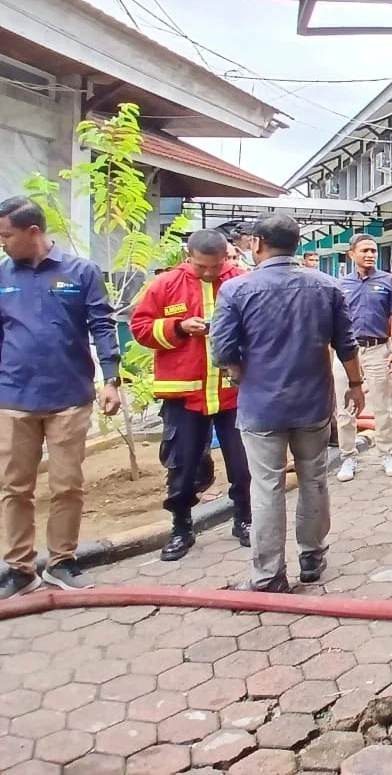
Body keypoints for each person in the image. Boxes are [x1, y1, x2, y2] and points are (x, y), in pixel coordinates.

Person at [209, 213, 362, 593]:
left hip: (261, 406)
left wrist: (238, 374)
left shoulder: (236, 290)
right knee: (314, 480)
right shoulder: (327, 287)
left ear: (258, 243)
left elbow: (222, 350)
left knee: (267, 488)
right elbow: (347, 343)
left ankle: (268, 575)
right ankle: (312, 555)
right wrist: (356, 384)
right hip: (313, 403)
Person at [0, 197, 121, 598]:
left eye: (6, 235)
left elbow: (102, 325)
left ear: (32, 232)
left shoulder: (80, 272)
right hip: (13, 398)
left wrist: (111, 379)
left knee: (67, 484)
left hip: (69, 396)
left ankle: (62, 561)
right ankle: (19, 568)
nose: (2, 243)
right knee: (15, 487)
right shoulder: (3, 276)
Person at [129, 229, 252, 561]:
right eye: (202, 267)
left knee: (243, 464)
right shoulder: (165, 285)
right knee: (181, 467)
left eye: (216, 266)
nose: (211, 273)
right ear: (189, 258)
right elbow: (140, 328)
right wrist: (179, 328)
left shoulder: (240, 281)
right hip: (184, 394)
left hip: (233, 392)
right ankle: (181, 528)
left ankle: (245, 520)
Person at [333, 234, 392, 482]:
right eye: (364, 250)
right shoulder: (340, 285)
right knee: (344, 408)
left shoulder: (389, 282)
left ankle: (387, 453)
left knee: (383, 406)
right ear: (351, 254)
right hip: (347, 353)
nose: (370, 254)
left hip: (378, 350)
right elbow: (333, 323)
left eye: (373, 250)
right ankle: (348, 457)